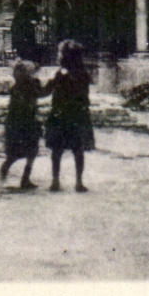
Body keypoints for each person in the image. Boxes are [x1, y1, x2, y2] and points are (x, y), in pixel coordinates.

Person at [44, 40, 95, 192]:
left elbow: (49, 90)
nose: (59, 56)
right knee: (78, 150)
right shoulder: (84, 74)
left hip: (61, 116)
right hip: (78, 116)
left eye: (61, 53)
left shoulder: (61, 74)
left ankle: (55, 181)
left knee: (57, 151)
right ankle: (78, 182)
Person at [0, 59, 43, 189]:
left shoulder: (18, 86)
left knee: (22, 153)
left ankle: (8, 177)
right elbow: (39, 94)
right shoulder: (28, 86)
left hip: (18, 123)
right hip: (24, 123)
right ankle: (21, 178)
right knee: (27, 153)